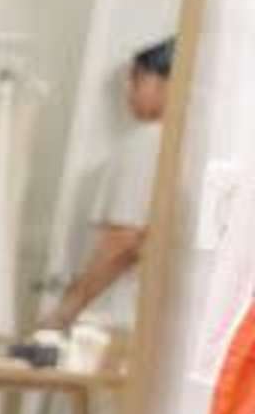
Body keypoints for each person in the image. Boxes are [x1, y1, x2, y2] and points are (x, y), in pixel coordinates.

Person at [45, 36, 173, 333]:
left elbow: (123, 240)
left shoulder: (147, 142)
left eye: (136, 80)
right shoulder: (182, 149)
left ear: (167, 83)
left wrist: (68, 308)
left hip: (114, 320)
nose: (128, 93)